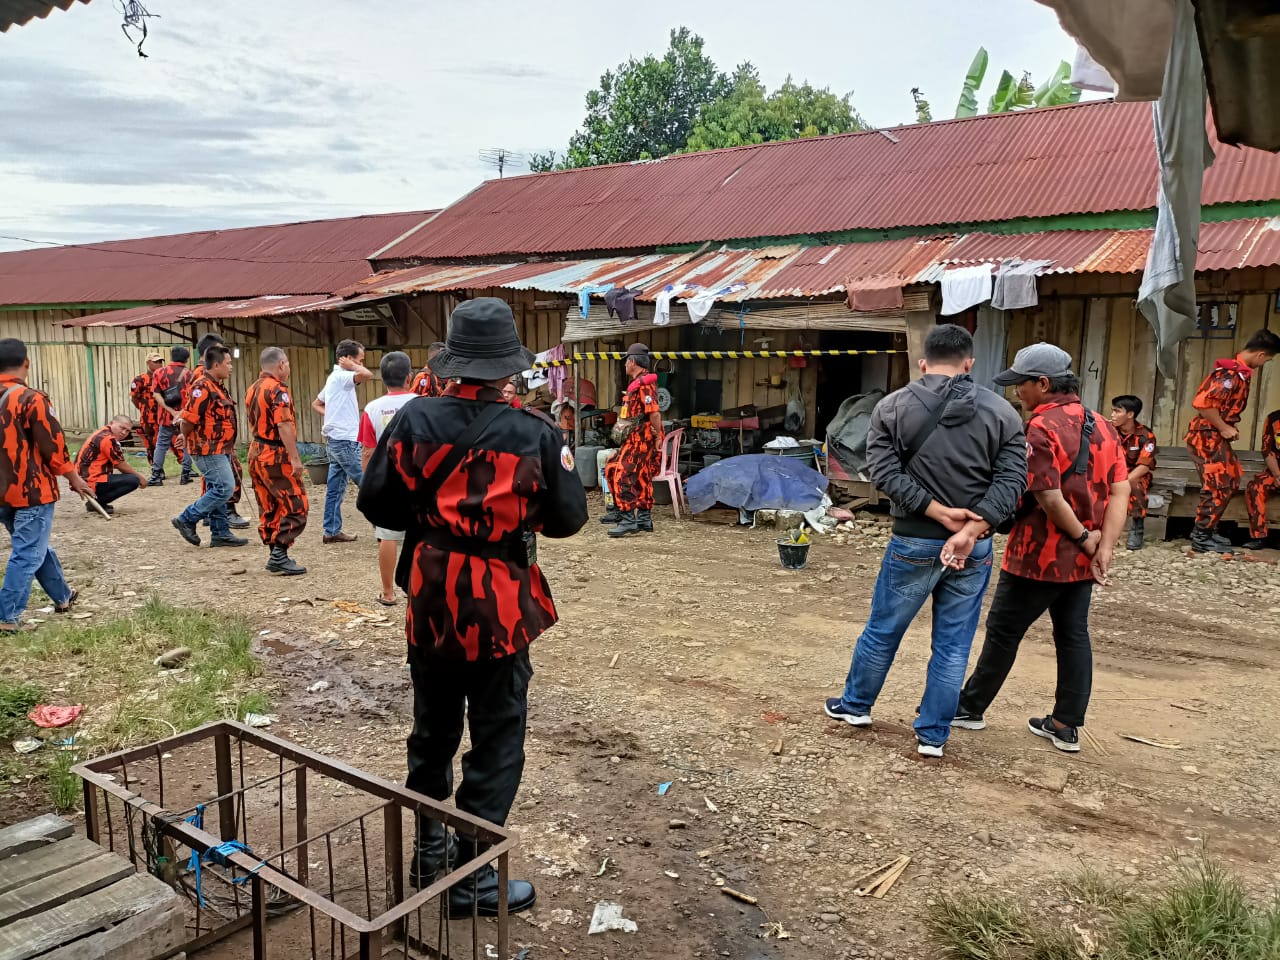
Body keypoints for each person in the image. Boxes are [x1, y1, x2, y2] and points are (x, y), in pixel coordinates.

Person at [357, 297, 587, 916]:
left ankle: (428, 856)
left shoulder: (413, 420)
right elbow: (569, 519)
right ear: (508, 366)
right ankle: (474, 881)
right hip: (500, 605)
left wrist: (435, 517)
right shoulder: (537, 433)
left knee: (431, 728)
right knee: (497, 736)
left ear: (454, 360)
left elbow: (377, 506)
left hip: (431, 594)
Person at [822, 325, 1027, 757]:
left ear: (923, 363)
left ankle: (856, 706)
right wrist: (971, 529)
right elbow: (1014, 480)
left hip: (914, 540)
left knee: (883, 631)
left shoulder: (892, 407)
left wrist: (935, 512)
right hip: (976, 548)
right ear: (970, 363)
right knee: (953, 645)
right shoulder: (1003, 413)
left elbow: (882, 473)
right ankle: (933, 734)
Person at [955, 344, 1130, 753]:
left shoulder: (1039, 427)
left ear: (1044, 384)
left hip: (1039, 555)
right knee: (1073, 635)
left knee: (1003, 632)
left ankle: (969, 708)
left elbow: (1049, 497)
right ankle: (1066, 724)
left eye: (1022, 384)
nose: (1018, 391)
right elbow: (1121, 490)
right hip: (1084, 558)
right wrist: (1103, 546)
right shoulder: (1102, 424)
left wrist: (1086, 540)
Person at [0, 337, 93, 632]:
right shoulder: (31, 399)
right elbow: (52, 446)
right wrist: (74, 477)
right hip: (31, 490)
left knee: (33, 544)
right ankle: (7, 617)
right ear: (26, 363)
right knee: (27, 551)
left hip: (1, 492)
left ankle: (62, 596)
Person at [1184, 330, 1280, 553]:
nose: (1265, 363)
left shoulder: (1239, 374)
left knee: (1232, 476)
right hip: (1207, 436)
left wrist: (1226, 428)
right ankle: (1201, 536)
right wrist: (1224, 427)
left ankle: (1208, 527)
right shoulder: (1229, 375)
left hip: (1214, 436)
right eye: (1267, 359)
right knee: (1218, 484)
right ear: (1261, 354)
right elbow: (1202, 403)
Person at [357, 351, 417, 604]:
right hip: (417, 479)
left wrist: (368, 483)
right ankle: (416, 591)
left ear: (383, 379)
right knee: (418, 536)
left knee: (388, 535)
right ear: (410, 377)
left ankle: (388, 592)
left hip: (387, 481)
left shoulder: (372, 408)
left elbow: (368, 451)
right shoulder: (421, 404)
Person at [171, 346, 245, 548]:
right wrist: (184, 436)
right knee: (224, 487)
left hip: (221, 447)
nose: (231, 367)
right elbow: (188, 419)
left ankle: (220, 532)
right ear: (216, 364)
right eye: (228, 363)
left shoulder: (217, 386)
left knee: (216, 487)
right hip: (207, 449)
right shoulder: (202, 387)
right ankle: (187, 518)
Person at [246, 347, 309, 576]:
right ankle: (280, 553)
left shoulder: (253, 388)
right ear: (281, 364)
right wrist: (295, 458)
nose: (289, 369)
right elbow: (283, 424)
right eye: (288, 365)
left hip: (256, 452)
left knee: (270, 504)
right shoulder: (277, 390)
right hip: (275, 455)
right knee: (296, 505)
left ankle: (275, 554)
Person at [312, 339, 374, 544]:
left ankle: (331, 530)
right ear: (347, 358)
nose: (361, 363)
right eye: (360, 359)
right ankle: (385, 526)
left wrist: (333, 417)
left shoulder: (334, 378)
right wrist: (353, 366)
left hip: (336, 439)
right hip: (345, 440)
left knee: (335, 487)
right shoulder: (342, 376)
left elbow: (317, 403)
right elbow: (367, 375)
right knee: (366, 483)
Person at [190, 333, 250, 531]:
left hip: (219, 442)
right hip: (211, 443)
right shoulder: (202, 378)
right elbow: (192, 414)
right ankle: (199, 515)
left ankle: (219, 528)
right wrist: (187, 435)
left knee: (219, 480)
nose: (229, 363)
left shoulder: (213, 379)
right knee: (224, 481)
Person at [602, 343, 663, 537]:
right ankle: (639, 517)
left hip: (641, 437)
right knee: (615, 467)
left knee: (623, 474)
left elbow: (654, 413)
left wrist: (659, 435)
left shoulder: (645, 383)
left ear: (632, 362)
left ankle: (629, 519)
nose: (625, 365)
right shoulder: (638, 382)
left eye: (627, 361)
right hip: (633, 436)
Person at [1109, 395, 1158, 551]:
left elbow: (1144, 466)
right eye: (1112, 411)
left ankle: (1137, 528)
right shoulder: (1108, 431)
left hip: (1136, 473)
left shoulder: (1145, 436)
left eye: (1117, 411)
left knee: (1134, 485)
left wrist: (1123, 481)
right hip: (1112, 471)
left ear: (1130, 414)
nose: (1112, 415)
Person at [74, 415, 149, 515]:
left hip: (83, 478)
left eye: (127, 431)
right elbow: (120, 464)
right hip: (90, 480)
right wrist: (140, 478)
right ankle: (98, 502)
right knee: (133, 480)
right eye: (122, 428)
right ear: (111, 423)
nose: (124, 433)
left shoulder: (101, 433)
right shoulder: (108, 439)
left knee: (127, 478)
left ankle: (98, 501)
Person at [149, 345, 195, 485]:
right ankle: (185, 475)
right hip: (185, 415)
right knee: (187, 443)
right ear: (186, 359)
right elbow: (193, 397)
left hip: (165, 415)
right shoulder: (190, 374)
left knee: (161, 444)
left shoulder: (159, 373)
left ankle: (156, 475)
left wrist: (170, 410)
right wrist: (180, 413)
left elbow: (155, 394)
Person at [1244, 407, 1280, 550]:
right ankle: (1258, 536)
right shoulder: (1274, 418)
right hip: (1276, 471)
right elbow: (1267, 450)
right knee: (1254, 487)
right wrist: (1277, 475)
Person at [130, 352, 164, 465]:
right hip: (148, 418)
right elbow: (134, 398)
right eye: (156, 362)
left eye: (160, 362)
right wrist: (145, 410)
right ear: (149, 363)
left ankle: (186, 467)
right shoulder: (140, 379)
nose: (159, 364)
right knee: (150, 443)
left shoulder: (164, 378)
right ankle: (156, 467)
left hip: (164, 415)